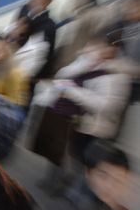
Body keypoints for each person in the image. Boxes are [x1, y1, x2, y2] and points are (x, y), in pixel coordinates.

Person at [32, 34, 131, 190]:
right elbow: (62, 75)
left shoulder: (118, 75)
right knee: (64, 153)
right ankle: (58, 183)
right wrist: (84, 63)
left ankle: (78, 192)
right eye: (92, 46)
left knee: (84, 161)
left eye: (99, 47)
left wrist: (73, 91)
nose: (93, 50)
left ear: (113, 49)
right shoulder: (86, 64)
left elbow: (105, 106)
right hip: (77, 120)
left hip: (96, 129)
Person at [39, 140, 139, 210]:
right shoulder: (63, 208)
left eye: (118, 178)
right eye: (103, 176)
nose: (110, 186)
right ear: (88, 173)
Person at [17, 0, 56, 78]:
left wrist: (20, 33)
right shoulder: (24, 10)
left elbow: (35, 54)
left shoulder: (48, 26)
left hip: (30, 67)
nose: (33, 1)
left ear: (46, 3)